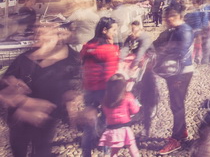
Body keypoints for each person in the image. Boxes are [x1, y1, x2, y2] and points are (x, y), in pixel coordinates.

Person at [2, 22, 81, 156]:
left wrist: (71, 100)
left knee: (41, 150)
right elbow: (3, 87)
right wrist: (25, 103)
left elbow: (71, 87)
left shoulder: (68, 61)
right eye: (37, 33)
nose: (39, 37)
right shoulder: (24, 60)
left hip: (47, 121)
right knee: (19, 149)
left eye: (44, 33)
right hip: (20, 120)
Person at [153, 2, 194, 154]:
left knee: (177, 105)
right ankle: (182, 131)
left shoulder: (184, 30)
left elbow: (181, 52)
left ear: (179, 16)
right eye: (167, 16)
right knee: (175, 103)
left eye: (171, 16)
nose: (168, 19)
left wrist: (164, 52)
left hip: (181, 73)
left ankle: (176, 139)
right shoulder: (174, 30)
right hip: (175, 72)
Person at [80, 17, 120, 157]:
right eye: (114, 30)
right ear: (104, 30)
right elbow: (112, 75)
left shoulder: (87, 46)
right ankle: (106, 151)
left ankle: (86, 153)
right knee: (107, 120)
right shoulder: (109, 49)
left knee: (89, 122)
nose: (115, 32)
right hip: (105, 91)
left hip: (89, 90)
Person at [98, 73, 141, 157]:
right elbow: (135, 110)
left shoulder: (106, 99)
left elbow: (105, 112)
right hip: (124, 128)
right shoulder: (128, 96)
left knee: (114, 150)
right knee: (132, 147)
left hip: (112, 129)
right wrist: (136, 104)